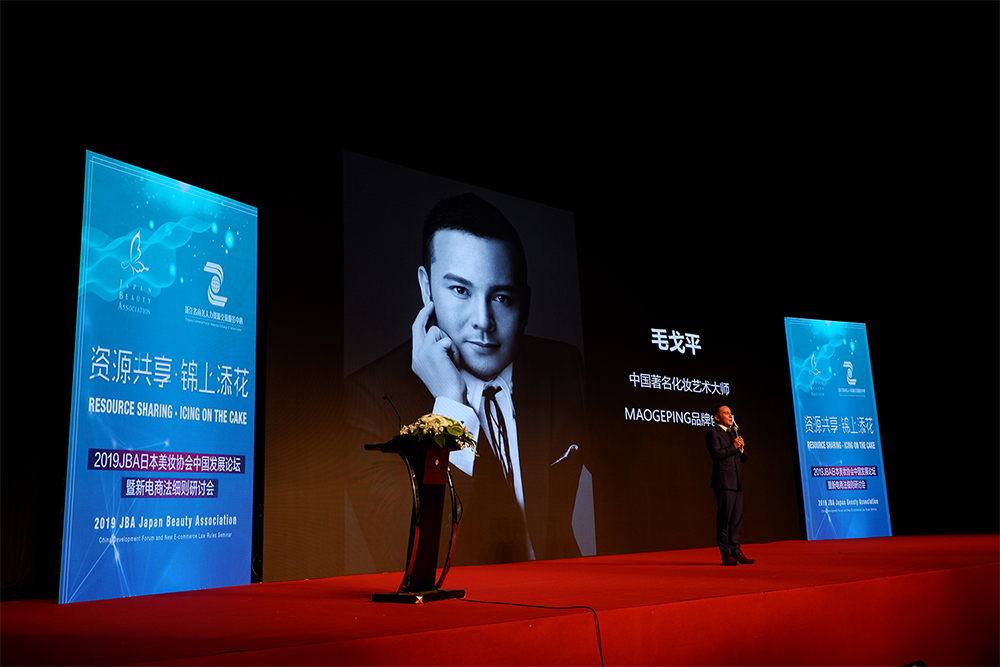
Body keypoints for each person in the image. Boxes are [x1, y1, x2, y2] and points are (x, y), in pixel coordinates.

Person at [344, 193, 587, 570]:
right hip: (459, 600)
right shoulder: (369, 398)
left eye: (501, 297)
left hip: (563, 589)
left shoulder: (562, 366)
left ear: (525, 303)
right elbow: (410, 555)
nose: (483, 321)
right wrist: (450, 406)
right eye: (460, 290)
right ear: (426, 288)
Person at [706, 404, 754, 566]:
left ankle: (736, 550)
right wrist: (733, 446)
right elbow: (717, 454)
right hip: (724, 482)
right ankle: (725, 553)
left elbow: (744, 458)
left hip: (737, 481)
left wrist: (741, 448)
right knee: (725, 519)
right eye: (726, 413)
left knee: (735, 519)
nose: (730, 415)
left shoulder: (733, 433)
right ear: (717, 417)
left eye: (731, 413)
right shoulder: (713, 433)